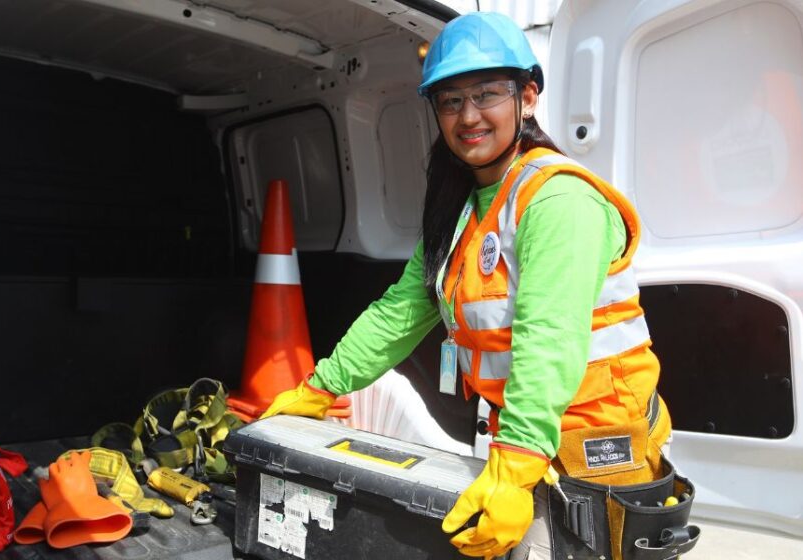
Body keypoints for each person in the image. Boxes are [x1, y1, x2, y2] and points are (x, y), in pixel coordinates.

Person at [261, 11, 672, 560]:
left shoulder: (557, 201)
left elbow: (548, 338)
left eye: (487, 94)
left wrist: (519, 461)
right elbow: (400, 311)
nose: (468, 116)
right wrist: (320, 386)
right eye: (450, 101)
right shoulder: (464, 208)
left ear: (527, 97)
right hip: (525, 446)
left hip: (594, 456)